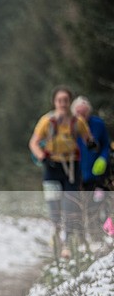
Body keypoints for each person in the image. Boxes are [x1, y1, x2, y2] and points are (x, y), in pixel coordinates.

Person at [29, 86, 98, 257]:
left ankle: (67, 243)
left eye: (66, 101)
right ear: (55, 102)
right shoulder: (47, 121)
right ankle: (57, 236)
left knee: (70, 204)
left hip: (72, 167)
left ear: (69, 102)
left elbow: (88, 138)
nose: (63, 104)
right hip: (52, 166)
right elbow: (33, 142)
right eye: (59, 101)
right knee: (54, 205)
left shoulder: (77, 122)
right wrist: (42, 158)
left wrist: (91, 144)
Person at [71, 96, 110, 237]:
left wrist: (103, 158)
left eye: (84, 112)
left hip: (97, 172)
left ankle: (101, 232)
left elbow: (105, 144)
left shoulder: (98, 124)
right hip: (79, 172)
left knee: (99, 202)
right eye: (78, 113)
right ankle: (81, 235)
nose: (82, 116)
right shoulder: (70, 126)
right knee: (80, 205)